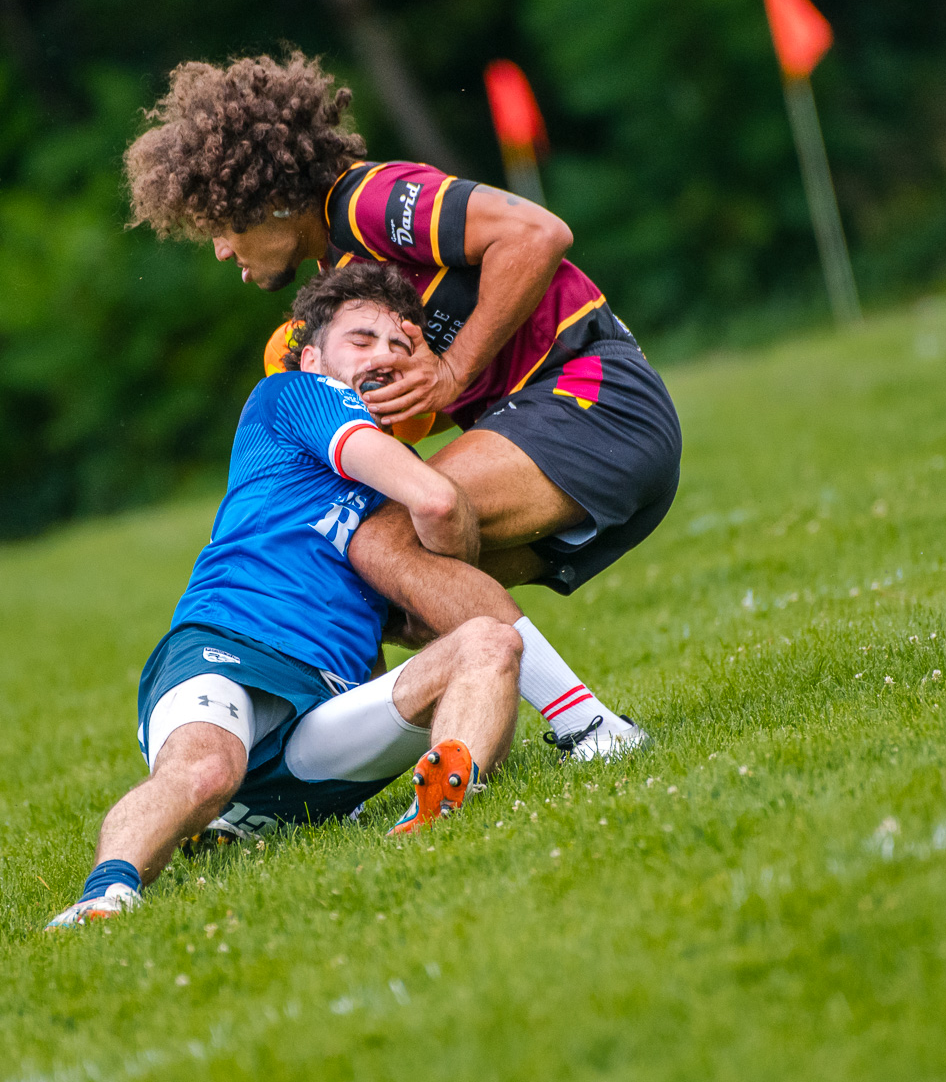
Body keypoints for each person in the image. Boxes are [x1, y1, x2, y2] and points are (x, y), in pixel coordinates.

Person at [124, 51, 682, 759]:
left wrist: (451, 374)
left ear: (266, 202)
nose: (217, 248)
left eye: (220, 223)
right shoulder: (336, 288)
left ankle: (591, 729)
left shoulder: (368, 202)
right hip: (555, 430)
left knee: (382, 538)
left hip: (596, 398)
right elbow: (410, 425)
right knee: (369, 590)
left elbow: (537, 234)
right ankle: (423, 765)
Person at [49, 265, 530, 927]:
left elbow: (423, 619)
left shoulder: (383, 489)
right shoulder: (295, 394)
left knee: (488, 642)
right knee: (206, 771)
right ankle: (103, 895)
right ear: (313, 356)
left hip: (325, 717)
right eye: (363, 340)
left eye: (403, 346)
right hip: (230, 645)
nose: (386, 356)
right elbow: (439, 501)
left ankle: (439, 812)